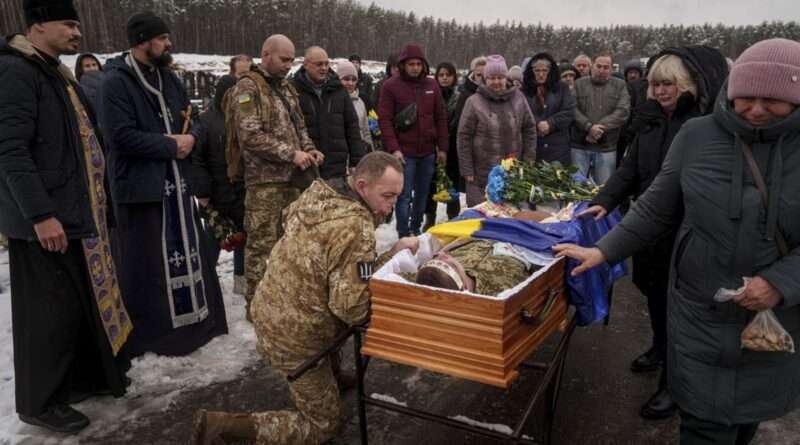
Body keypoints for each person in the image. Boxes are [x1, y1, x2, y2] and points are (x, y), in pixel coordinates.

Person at [554, 38, 800, 445]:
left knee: (745, 418)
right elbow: (655, 206)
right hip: (699, 307)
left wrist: (781, 282)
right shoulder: (698, 135)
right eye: (746, 97)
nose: (756, 109)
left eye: (772, 100)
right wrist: (603, 249)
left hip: (774, 317)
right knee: (704, 423)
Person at [192, 152, 419, 445]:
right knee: (322, 425)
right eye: (387, 196)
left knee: (331, 300)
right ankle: (223, 427)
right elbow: (352, 309)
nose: (392, 205)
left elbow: (333, 268)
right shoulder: (355, 226)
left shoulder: (320, 193)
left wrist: (389, 253)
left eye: (397, 196)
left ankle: (329, 374)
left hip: (271, 309)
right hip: (296, 337)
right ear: (362, 186)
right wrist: (397, 270)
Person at [0, 0, 131, 432]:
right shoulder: (17, 72)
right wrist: (40, 214)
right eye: (68, 24)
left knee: (75, 308)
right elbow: (10, 150)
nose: (78, 32)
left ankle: (81, 381)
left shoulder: (53, 71)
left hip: (74, 213)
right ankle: (40, 402)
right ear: (38, 26)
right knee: (47, 316)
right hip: (44, 222)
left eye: (78, 24)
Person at [582, 46, 728, 421]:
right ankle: (660, 348)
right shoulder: (648, 120)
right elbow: (629, 169)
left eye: (669, 84)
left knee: (679, 308)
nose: (661, 91)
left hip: (686, 230)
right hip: (650, 224)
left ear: (689, 84)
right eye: (656, 84)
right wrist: (605, 200)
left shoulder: (702, 124)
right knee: (654, 295)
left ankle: (674, 383)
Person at [97, 11, 228, 356]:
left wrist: (191, 138)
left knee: (190, 254)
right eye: (162, 38)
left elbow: (194, 118)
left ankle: (198, 326)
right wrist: (171, 145)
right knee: (149, 266)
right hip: (143, 192)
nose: (169, 44)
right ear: (142, 41)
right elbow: (119, 136)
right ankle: (159, 338)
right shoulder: (115, 83)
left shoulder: (169, 78)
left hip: (179, 187)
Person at [227, 34, 324, 313]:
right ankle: (257, 308)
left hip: (294, 180)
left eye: (292, 60)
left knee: (289, 245)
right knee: (261, 247)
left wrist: (309, 149)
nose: (289, 65)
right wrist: (291, 154)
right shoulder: (247, 88)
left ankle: (282, 302)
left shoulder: (287, 88)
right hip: (265, 184)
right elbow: (250, 136)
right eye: (284, 59)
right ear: (266, 54)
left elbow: (299, 127)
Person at [378, 43, 449, 237]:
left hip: (427, 151)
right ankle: (403, 233)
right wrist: (394, 148)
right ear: (403, 65)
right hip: (404, 153)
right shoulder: (391, 86)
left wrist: (442, 147)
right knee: (403, 195)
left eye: (418, 64)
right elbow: (384, 120)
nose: (415, 68)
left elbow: (440, 117)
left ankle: (416, 229)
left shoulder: (432, 85)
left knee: (423, 194)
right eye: (411, 64)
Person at [457, 55, 536, 207]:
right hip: (482, 176)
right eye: (491, 78)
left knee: (512, 214)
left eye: (500, 77)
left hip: (513, 172)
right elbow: (464, 137)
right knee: (485, 215)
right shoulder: (474, 102)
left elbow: (529, 128)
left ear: (506, 78)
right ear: (485, 79)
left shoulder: (518, 98)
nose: (496, 82)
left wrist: (528, 160)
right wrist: (467, 169)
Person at [191, 75, 246, 291]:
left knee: (243, 234)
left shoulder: (244, 117)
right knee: (214, 236)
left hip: (241, 188)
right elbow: (197, 159)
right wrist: (202, 191)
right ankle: (206, 279)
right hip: (215, 189)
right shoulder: (206, 121)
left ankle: (241, 278)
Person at [292, 46, 366, 181]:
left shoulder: (339, 90)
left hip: (336, 167)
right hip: (306, 167)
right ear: (306, 65)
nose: (324, 68)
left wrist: (356, 161)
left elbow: (352, 127)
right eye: (319, 64)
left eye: (326, 64)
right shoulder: (293, 90)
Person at [571, 53, 630, 185]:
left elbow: (623, 111)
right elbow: (572, 109)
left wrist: (598, 129)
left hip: (606, 147)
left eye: (606, 67)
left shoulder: (620, 85)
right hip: (580, 146)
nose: (602, 70)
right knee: (575, 187)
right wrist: (588, 127)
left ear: (611, 69)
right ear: (592, 66)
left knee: (604, 188)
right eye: (599, 66)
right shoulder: (579, 84)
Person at [415, 238, 537, 296]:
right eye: (448, 262)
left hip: (488, 234)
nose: (443, 254)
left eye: (436, 257)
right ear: (464, 286)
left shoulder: (434, 276)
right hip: (526, 246)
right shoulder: (501, 287)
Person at [423, 61, 461, 229]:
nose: (445, 78)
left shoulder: (459, 98)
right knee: (430, 186)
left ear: (454, 77)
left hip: (453, 150)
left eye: (448, 75)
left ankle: (453, 218)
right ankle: (429, 219)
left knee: (451, 185)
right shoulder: (430, 95)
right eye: (441, 75)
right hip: (432, 147)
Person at [521, 52, 576, 166]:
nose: (541, 74)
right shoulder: (524, 91)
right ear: (531, 71)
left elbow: (569, 111)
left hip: (558, 149)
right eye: (537, 71)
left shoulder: (562, 88)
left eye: (544, 71)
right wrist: (537, 124)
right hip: (533, 147)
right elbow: (521, 113)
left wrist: (551, 123)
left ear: (550, 71)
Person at [337, 60, 374, 151]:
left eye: (354, 79)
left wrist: (370, 149)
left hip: (359, 150)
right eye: (346, 79)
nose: (350, 83)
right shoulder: (331, 101)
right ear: (338, 80)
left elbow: (366, 131)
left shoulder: (361, 102)